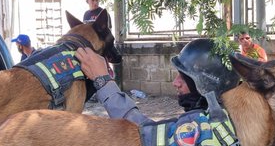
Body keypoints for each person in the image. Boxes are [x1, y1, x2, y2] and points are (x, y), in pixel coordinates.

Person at [75, 38, 239, 126]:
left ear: (206, 85)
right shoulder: (221, 119)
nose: (176, 83)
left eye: (185, 78)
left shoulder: (206, 128)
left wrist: (103, 81)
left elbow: (148, 135)